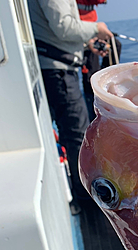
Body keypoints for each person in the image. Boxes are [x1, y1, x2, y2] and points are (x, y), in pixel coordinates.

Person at [28, 0, 113, 215]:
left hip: (61, 69)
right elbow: (64, 26)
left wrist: (88, 44)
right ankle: (86, 201)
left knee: (75, 132)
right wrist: (96, 28)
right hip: (58, 73)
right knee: (78, 136)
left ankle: (83, 193)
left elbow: (56, 30)